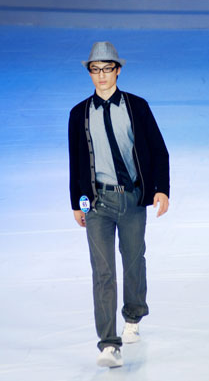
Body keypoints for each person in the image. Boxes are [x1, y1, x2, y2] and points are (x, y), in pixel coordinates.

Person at [68, 41, 169, 368]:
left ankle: (134, 315)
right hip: (96, 202)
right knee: (103, 271)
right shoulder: (78, 113)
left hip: (132, 197)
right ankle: (108, 344)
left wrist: (161, 189)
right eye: (95, 70)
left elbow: (158, 150)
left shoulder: (138, 106)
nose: (101, 76)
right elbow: (76, 161)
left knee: (134, 259)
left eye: (107, 69)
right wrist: (75, 202)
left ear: (118, 71)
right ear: (89, 73)